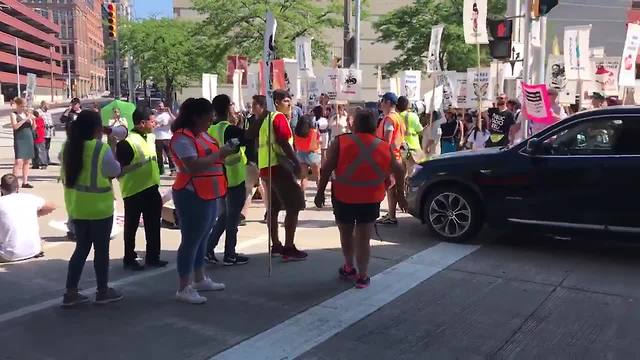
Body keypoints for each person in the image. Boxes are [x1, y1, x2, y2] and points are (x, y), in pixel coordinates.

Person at [315, 110, 407, 289]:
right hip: (370, 198)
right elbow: (400, 170)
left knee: (346, 233)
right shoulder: (383, 146)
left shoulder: (340, 142)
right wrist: (401, 194)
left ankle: (349, 266)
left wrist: (320, 193)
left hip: (343, 196)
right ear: (374, 126)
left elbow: (326, 169)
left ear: (354, 124)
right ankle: (363, 276)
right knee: (364, 238)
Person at [170, 98, 233, 304]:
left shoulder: (203, 135)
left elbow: (214, 158)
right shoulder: (181, 138)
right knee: (190, 240)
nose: (211, 121)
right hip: (191, 193)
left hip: (208, 193)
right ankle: (183, 287)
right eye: (208, 117)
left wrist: (225, 153)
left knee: (202, 237)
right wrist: (219, 154)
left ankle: (199, 278)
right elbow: (193, 166)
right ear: (196, 117)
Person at [61, 110, 123, 307]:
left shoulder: (67, 147)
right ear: (98, 129)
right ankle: (102, 291)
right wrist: (112, 144)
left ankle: (70, 293)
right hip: (99, 209)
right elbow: (114, 171)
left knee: (81, 249)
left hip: (77, 207)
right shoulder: (100, 149)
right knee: (101, 251)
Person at [249, 91, 307, 261]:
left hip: (266, 167)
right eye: (286, 101)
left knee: (273, 208)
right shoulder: (278, 117)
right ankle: (288, 247)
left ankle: (276, 245)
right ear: (276, 103)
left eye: (290, 101)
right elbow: (282, 141)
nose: (290, 105)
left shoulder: (264, 119)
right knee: (294, 205)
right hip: (279, 166)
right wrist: (296, 162)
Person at [116, 107, 168, 271]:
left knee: (153, 225)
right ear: (142, 123)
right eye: (152, 121)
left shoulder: (151, 138)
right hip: (134, 191)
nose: (155, 123)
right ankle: (129, 258)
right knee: (131, 227)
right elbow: (118, 171)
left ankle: (153, 256)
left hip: (152, 188)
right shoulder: (127, 143)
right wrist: (137, 166)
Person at [206, 94, 250, 266]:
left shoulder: (211, 129)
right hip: (232, 178)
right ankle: (230, 253)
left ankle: (209, 249)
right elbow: (247, 137)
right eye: (232, 104)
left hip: (219, 177)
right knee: (232, 218)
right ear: (227, 108)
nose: (234, 107)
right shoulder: (228, 129)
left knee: (224, 216)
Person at [0, 174, 55, 263]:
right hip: (33, 250)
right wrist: (37, 214)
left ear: (1, 188)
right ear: (17, 188)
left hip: (9, 254)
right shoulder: (29, 198)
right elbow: (52, 206)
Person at [375, 92, 405, 226]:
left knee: (390, 187)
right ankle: (391, 213)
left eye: (382, 100)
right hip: (396, 155)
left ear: (387, 102)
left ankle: (392, 215)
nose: (381, 103)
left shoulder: (389, 119)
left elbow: (387, 138)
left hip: (389, 157)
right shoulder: (398, 117)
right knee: (391, 187)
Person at [294, 111, 321, 194]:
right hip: (312, 154)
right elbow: (317, 142)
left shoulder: (296, 132)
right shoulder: (313, 131)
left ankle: (302, 196)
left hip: (301, 154)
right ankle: (320, 194)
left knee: (304, 177)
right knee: (317, 177)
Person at [10, 98, 35, 189]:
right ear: (17, 105)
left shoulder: (26, 114)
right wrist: (25, 119)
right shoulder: (14, 114)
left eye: (25, 106)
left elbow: (34, 128)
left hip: (28, 138)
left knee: (27, 161)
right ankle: (13, 183)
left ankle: (25, 182)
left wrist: (33, 120)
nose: (24, 108)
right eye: (22, 106)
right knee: (18, 161)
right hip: (20, 139)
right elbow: (15, 126)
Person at [397, 96, 424, 175]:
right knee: (414, 175)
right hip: (413, 150)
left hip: (400, 150)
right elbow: (421, 131)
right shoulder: (413, 116)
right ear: (407, 105)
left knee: (403, 176)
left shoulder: (395, 117)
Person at [154, 102, 176, 176]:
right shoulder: (154, 115)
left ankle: (173, 170)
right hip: (157, 138)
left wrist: (169, 112)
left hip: (167, 137)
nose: (160, 108)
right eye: (159, 106)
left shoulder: (167, 115)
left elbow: (175, 120)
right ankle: (161, 170)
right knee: (159, 156)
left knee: (169, 154)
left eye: (161, 106)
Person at [40, 101, 55, 167]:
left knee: (47, 147)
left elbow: (51, 121)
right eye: (48, 105)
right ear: (44, 105)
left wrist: (53, 128)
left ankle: (47, 159)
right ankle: (43, 161)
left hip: (49, 132)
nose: (49, 106)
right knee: (43, 147)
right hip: (43, 132)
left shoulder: (49, 112)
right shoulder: (39, 112)